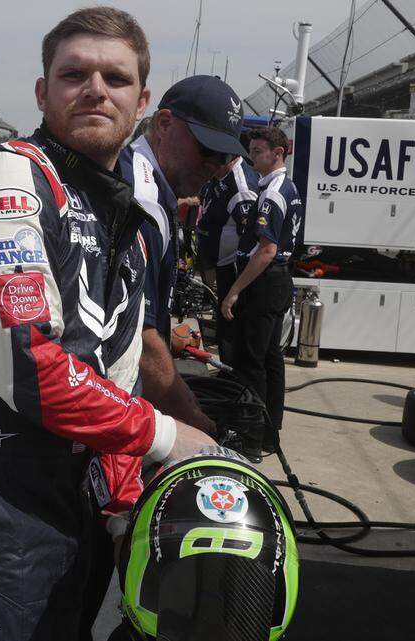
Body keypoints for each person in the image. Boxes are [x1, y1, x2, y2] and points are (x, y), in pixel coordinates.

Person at [0, 8, 214, 641]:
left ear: (142, 101)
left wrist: (128, 487)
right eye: (74, 74)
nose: (96, 89)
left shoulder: (125, 218)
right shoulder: (7, 178)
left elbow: (117, 370)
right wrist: (167, 437)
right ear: (44, 93)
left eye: (116, 78)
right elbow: (25, 361)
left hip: (79, 499)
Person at [120, 74, 247, 435]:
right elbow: (139, 343)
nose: (215, 165)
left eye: (225, 156)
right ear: (163, 124)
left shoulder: (152, 186)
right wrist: (200, 426)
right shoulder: (140, 199)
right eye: (207, 149)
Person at [221, 127, 303, 462]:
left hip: (264, 282)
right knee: (270, 360)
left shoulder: (273, 193)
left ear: (278, 153)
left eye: (257, 151)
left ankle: (250, 440)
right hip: (277, 281)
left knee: (250, 363)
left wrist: (233, 292)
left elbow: (266, 250)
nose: (252, 157)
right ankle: (270, 434)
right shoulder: (286, 187)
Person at [197, 154, 261, 363]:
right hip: (218, 264)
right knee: (223, 327)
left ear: (229, 158)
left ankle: (232, 377)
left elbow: (252, 238)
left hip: (233, 270)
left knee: (231, 329)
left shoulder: (241, 186)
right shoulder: (219, 175)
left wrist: (238, 287)